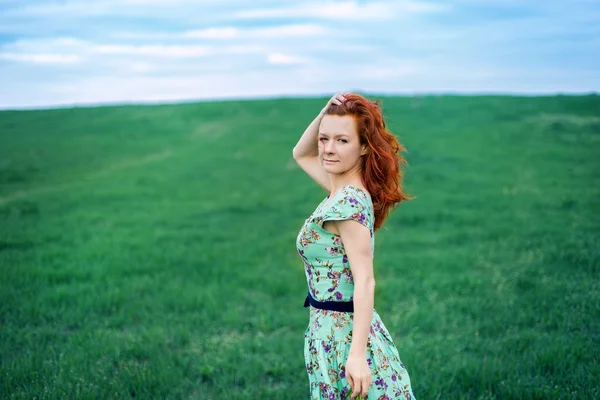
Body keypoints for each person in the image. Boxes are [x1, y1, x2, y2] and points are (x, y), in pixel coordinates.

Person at [293, 93, 416, 399]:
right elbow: (301, 153)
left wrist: (357, 355)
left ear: (363, 147)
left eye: (342, 141)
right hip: (328, 333)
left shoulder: (347, 204)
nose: (328, 149)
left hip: (345, 337)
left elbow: (365, 279)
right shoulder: (340, 191)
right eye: (324, 139)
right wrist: (326, 111)